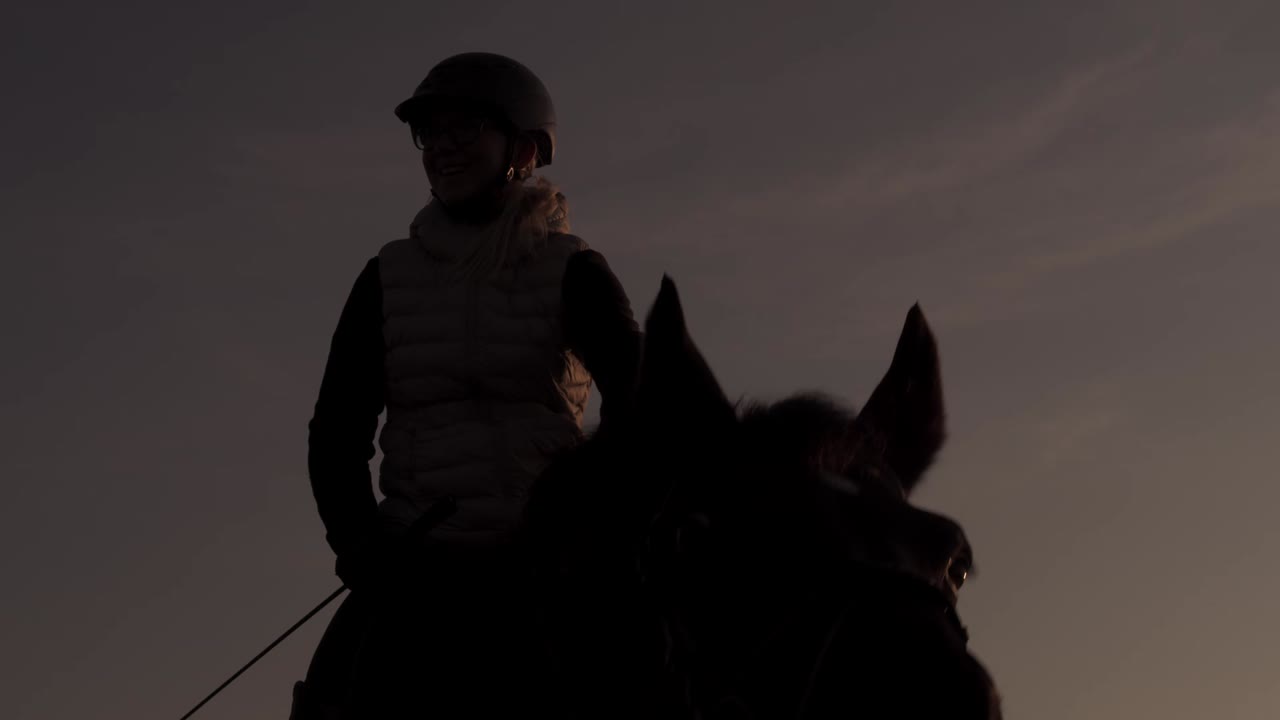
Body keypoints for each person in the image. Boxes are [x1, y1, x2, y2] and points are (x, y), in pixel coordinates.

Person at [289, 52, 643, 719]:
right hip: (415, 568)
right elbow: (336, 430)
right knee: (332, 695)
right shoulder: (385, 277)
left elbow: (643, 408)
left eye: (466, 128)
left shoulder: (576, 271)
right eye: (431, 132)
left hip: (542, 565)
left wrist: (593, 526)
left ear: (523, 149)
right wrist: (360, 545)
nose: (442, 147)